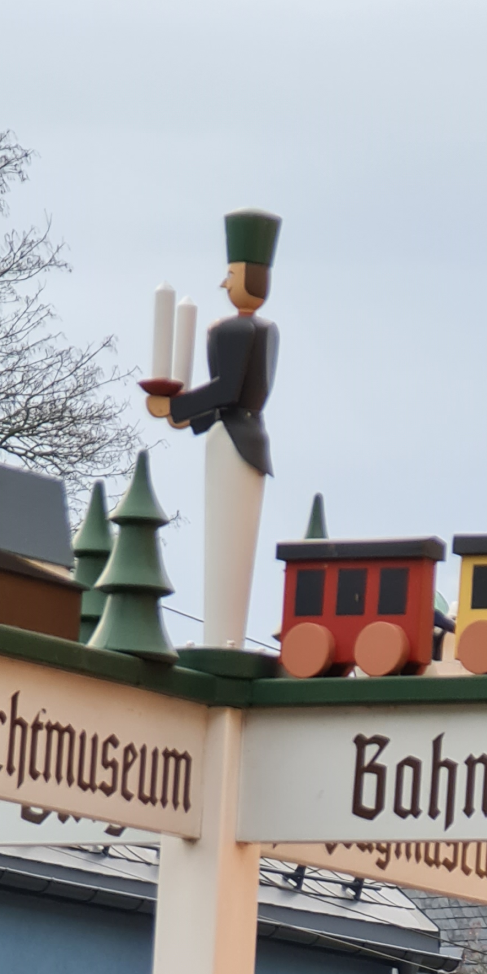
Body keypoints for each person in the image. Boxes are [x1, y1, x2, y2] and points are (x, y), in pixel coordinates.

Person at [146, 209, 281, 648]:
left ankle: (222, 638)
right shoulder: (268, 331)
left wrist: (180, 406)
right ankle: (224, 636)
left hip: (233, 441)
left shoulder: (232, 331)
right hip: (248, 437)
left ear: (249, 278)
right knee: (228, 541)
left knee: (227, 543)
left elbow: (227, 389)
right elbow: (231, 398)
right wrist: (184, 413)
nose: (224, 283)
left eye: (231, 273)